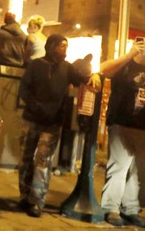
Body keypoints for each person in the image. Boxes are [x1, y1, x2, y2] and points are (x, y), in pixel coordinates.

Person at [17, 34, 100, 218]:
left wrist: (92, 75)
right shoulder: (35, 65)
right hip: (31, 120)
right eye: (61, 46)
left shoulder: (67, 68)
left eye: (66, 46)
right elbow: (23, 89)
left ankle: (37, 201)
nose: (64, 49)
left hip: (53, 123)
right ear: (50, 46)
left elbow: (82, 78)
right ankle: (24, 196)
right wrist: (35, 106)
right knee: (25, 159)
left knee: (43, 162)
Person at [100, 37, 145, 228]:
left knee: (141, 173)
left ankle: (131, 209)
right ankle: (111, 208)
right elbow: (104, 69)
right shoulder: (124, 67)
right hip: (124, 125)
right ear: (138, 49)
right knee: (118, 168)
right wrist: (129, 54)